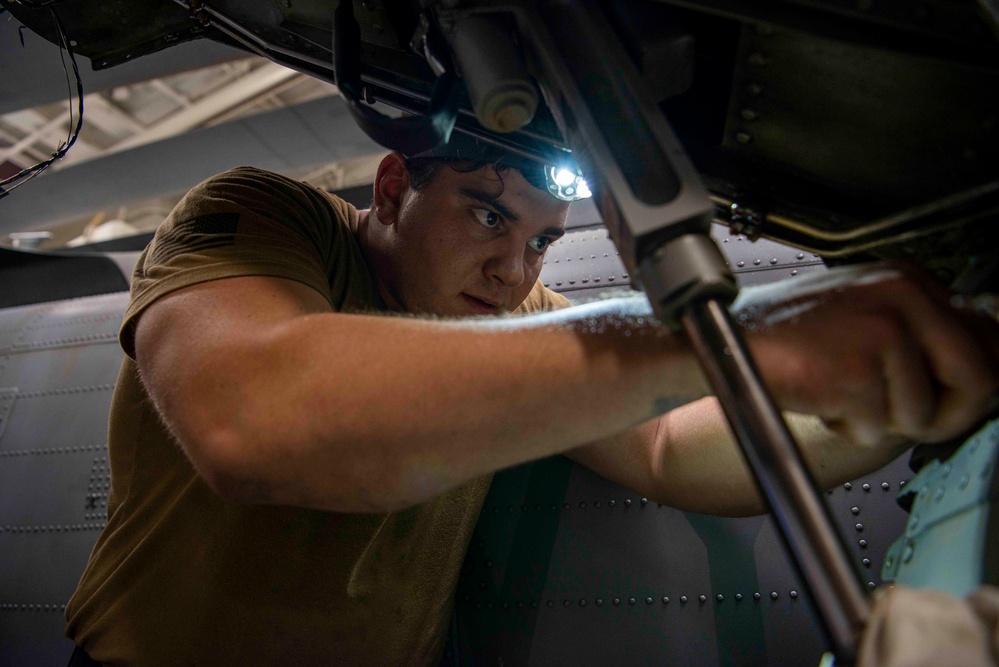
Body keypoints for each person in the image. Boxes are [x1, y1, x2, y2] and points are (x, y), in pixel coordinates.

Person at [63, 140, 999, 666]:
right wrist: (728, 332)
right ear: (393, 186)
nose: (515, 271)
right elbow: (254, 421)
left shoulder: (519, 310)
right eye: (486, 214)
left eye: (544, 242)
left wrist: (880, 403)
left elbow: (672, 445)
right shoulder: (272, 221)